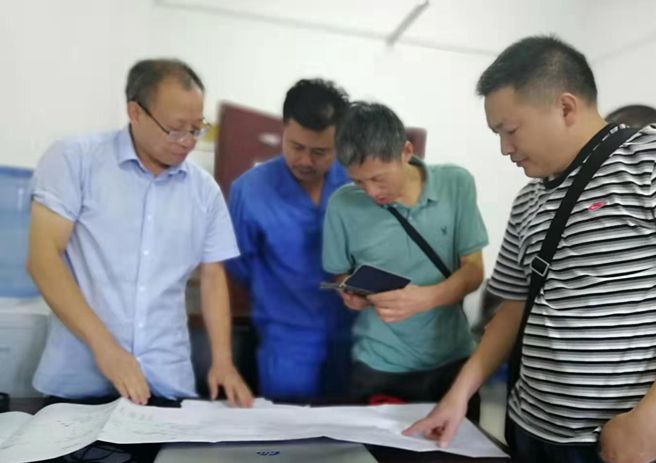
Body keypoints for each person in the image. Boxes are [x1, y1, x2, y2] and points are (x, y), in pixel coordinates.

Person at [405, 35, 656, 463]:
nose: (505, 148)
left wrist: (649, 424)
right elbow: (512, 308)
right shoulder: (530, 200)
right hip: (532, 438)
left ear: (565, 106)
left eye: (510, 130)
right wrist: (458, 397)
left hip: (623, 449)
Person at [28, 59, 252, 407]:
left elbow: (212, 276)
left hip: (165, 383)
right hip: (77, 381)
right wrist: (106, 348)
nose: (187, 141)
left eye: (197, 128)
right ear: (135, 112)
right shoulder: (75, 160)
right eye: (176, 129)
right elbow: (43, 260)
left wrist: (222, 361)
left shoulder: (204, 191)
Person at [322, 102, 487, 419]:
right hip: (378, 365)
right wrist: (349, 292)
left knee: (459, 449)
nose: (371, 192)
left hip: (452, 361)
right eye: (359, 182)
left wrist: (424, 298)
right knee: (374, 451)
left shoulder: (456, 184)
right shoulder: (342, 205)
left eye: (378, 178)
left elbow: (474, 271)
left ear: (406, 151)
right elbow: (341, 274)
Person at [226, 79, 355, 400]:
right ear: (283, 130)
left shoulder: (356, 182)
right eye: (296, 147)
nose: (306, 161)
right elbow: (238, 264)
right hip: (287, 341)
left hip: (354, 337)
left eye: (320, 152)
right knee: (287, 426)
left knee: (348, 426)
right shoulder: (250, 191)